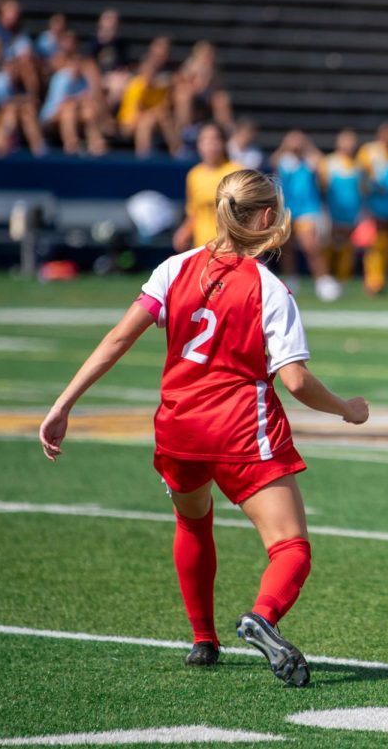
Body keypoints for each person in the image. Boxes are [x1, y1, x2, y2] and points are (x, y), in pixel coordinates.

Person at [39, 168, 370, 686]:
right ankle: (262, 618)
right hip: (242, 433)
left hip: (178, 430)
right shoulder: (269, 287)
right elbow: (297, 382)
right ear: (265, 218)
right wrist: (347, 408)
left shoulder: (173, 269)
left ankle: (202, 639)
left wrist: (63, 404)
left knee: (193, 523)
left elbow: (117, 340)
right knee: (291, 548)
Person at [270, 129, 340, 301]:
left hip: (307, 209)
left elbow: (321, 164)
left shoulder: (310, 160)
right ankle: (291, 277)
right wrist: (286, 146)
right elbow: (273, 161)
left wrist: (307, 145)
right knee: (285, 246)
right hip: (286, 208)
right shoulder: (284, 160)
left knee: (311, 245)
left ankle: (322, 279)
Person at [174, 124, 244, 251]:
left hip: (231, 248)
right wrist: (184, 232)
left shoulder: (237, 172)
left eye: (214, 139)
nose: (210, 145)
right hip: (202, 247)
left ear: (223, 143)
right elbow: (194, 212)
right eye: (204, 140)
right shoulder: (194, 175)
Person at [357, 122, 388, 295]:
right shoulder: (370, 152)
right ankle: (373, 281)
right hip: (374, 205)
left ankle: (384, 279)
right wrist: (365, 201)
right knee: (374, 243)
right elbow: (362, 179)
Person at [117, 36, 180, 158]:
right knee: (147, 122)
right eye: (148, 71)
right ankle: (143, 157)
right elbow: (133, 118)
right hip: (129, 123)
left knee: (159, 117)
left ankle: (177, 151)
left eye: (153, 72)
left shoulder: (158, 88)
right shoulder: (136, 87)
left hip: (154, 120)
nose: (150, 75)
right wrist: (154, 113)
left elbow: (164, 106)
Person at [320, 128, 364, 283]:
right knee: (331, 242)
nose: (349, 145)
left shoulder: (358, 165)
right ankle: (328, 277)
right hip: (333, 210)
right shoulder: (329, 162)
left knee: (348, 244)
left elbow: (362, 189)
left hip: (352, 212)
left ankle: (344, 277)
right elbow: (323, 187)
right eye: (346, 141)